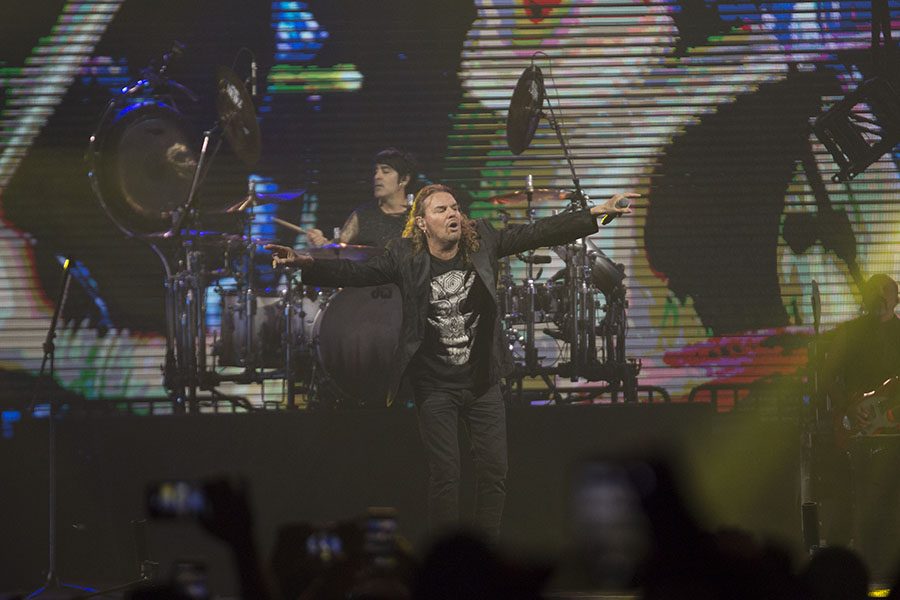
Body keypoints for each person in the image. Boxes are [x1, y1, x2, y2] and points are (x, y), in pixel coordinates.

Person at [267, 183, 636, 537]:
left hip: (482, 382)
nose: (452, 213)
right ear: (423, 222)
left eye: (455, 207)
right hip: (435, 386)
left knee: (494, 474)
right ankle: (448, 562)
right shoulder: (404, 255)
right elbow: (355, 272)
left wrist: (597, 214)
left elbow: (540, 232)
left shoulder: (484, 240)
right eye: (441, 209)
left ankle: (484, 555)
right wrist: (305, 262)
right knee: (446, 475)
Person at [306, 147, 417, 249]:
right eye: (376, 171)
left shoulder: (419, 214)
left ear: (404, 179)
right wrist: (321, 243)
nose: (377, 176)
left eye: (385, 171)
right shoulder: (363, 214)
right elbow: (336, 247)